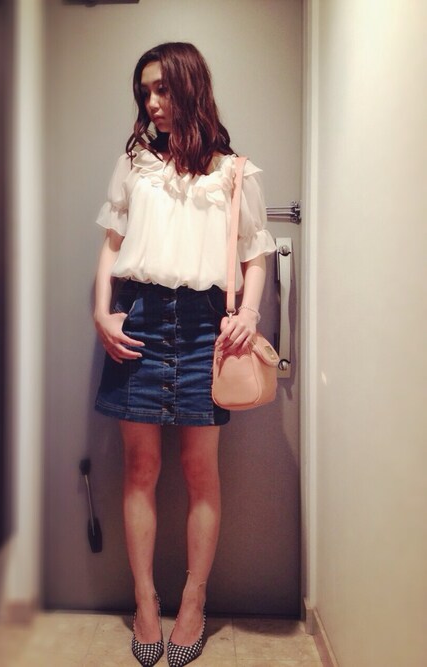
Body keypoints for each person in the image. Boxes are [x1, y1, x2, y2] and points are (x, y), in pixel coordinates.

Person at [92, 42, 276, 667]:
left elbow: (256, 253)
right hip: (139, 319)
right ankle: (145, 601)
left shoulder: (234, 172)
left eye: (163, 88)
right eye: (145, 91)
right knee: (139, 468)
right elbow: (111, 244)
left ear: (190, 87)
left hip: (205, 328)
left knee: (201, 470)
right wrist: (101, 311)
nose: (152, 102)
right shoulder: (135, 165)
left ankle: (193, 601)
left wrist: (248, 314)